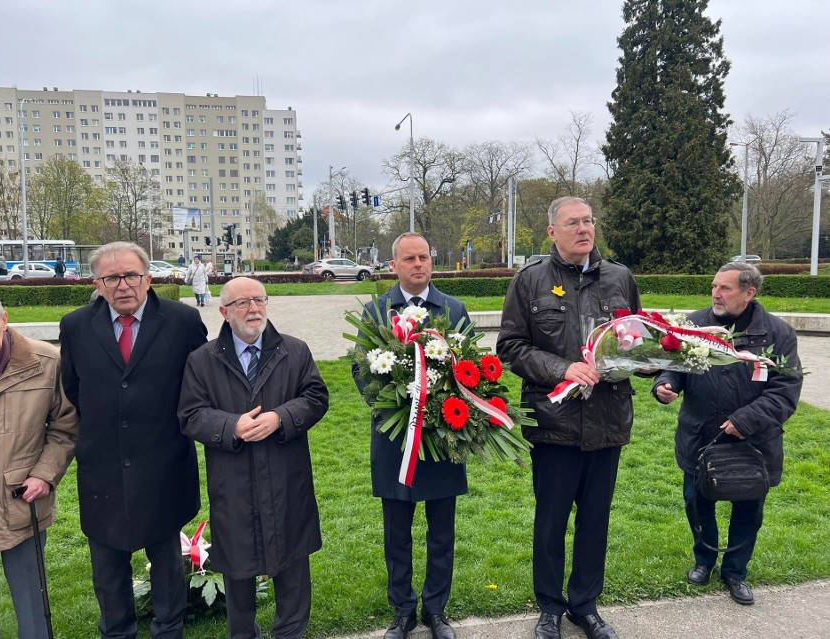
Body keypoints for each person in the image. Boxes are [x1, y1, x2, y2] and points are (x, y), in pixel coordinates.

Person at [497, 196, 642, 639]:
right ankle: (549, 608)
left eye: (589, 221)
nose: (584, 229)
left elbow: (636, 337)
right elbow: (511, 347)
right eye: (573, 223)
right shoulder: (529, 281)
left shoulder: (620, 278)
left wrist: (648, 359)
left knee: (595, 521)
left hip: (607, 422)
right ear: (552, 232)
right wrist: (562, 369)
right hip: (554, 425)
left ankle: (585, 606)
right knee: (551, 523)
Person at [59, 241, 208, 639]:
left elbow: (202, 385)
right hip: (103, 466)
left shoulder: (183, 321)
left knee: (165, 561)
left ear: (148, 278)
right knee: (107, 564)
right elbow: (73, 388)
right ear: (98, 283)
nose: (123, 285)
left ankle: (168, 628)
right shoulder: (74, 326)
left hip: (164, 463)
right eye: (112, 278)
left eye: (131, 275)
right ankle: (117, 630)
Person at [178, 277, 329, 639]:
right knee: (238, 567)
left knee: (292, 565)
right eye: (242, 303)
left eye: (258, 300)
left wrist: (281, 418)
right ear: (224, 312)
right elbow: (191, 414)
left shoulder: (295, 351)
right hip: (233, 484)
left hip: (285, 478)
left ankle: (290, 633)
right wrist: (232, 426)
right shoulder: (202, 360)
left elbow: (316, 397)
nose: (253, 309)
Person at [652, 262, 802, 606]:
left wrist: (745, 420)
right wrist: (665, 384)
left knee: (749, 509)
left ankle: (735, 571)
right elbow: (674, 367)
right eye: (714, 286)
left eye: (725, 288)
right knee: (696, 501)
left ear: (750, 293)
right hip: (700, 437)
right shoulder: (694, 323)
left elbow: (785, 391)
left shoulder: (778, 334)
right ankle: (704, 561)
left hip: (753, 442)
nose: (715, 294)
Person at [354, 232, 470, 639]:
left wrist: (438, 414)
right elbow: (361, 373)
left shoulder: (454, 309)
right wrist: (400, 411)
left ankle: (436, 610)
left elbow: (468, 368)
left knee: (442, 531)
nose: (418, 264)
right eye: (409, 258)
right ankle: (402, 610)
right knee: (396, 533)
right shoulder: (376, 311)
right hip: (395, 442)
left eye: (424, 257)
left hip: (442, 440)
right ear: (394, 265)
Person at [0, 286, 78, 638]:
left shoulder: (45, 361)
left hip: (22, 500)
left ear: (5, 319)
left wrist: (44, 474)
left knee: (33, 608)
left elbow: (66, 426)